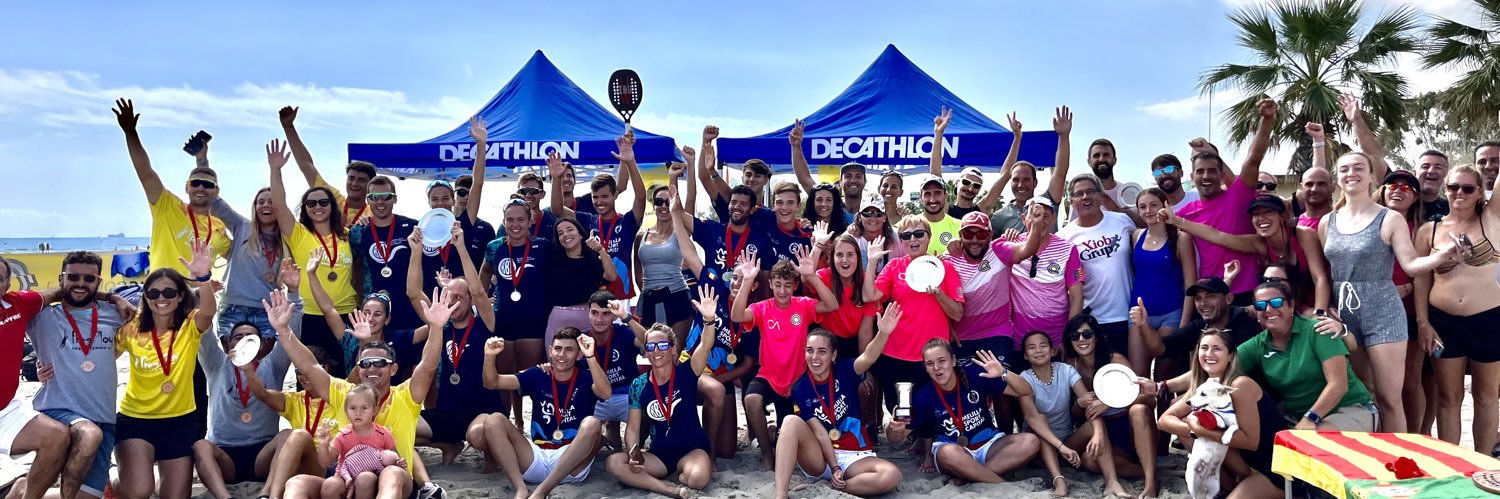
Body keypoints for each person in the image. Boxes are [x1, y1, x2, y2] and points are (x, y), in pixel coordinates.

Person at [276, 278, 459, 499]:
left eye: (380, 363)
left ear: (393, 369)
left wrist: (437, 328)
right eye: (365, 363)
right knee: (297, 483)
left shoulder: (405, 396)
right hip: (349, 480)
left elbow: (428, 366)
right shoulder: (345, 393)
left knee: (390, 473)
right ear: (358, 368)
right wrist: (283, 330)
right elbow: (309, 365)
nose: (372, 368)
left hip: (396, 482)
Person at [1319, 151, 1457, 433]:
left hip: (1383, 311)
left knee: (1390, 397)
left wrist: (1444, 255)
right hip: (1345, 314)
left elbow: (1411, 264)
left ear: (1372, 177)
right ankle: (1370, 459)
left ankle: (1400, 464)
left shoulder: (1389, 218)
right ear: (1337, 177)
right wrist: (1327, 306)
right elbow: (1328, 272)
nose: (1351, 173)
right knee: (1362, 396)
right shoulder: (1327, 223)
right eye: (1344, 169)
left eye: (1359, 167)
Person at [8, 255, 122, 499]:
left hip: (102, 416)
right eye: (73, 277)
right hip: (57, 410)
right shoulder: (41, 317)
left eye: (89, 278)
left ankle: (22, 488)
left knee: (87, 494)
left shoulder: (116, 314)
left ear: (98, 282)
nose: (80, 283)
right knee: (90, 434)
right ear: (61, 279)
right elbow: (15, 307)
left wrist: (114, 298)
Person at [190, 261, 303, 498]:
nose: (243, 341)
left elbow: (291, 336)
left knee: (287, 435)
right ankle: (225, 497)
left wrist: (293, 293)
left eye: (250, 337)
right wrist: (202, 286)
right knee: (200, 445)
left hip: (263, 454)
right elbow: (202, 328)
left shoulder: (273, 365)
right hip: (225, 454)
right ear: (227, 343)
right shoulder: (216, 363)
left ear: (262, 344)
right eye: (237, 337)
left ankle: (268, 493)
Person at [113, 242, 217, 499]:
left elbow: (209, 311)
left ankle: (140, 473)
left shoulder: (190, 325)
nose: (161, 299)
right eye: (154, 293)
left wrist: (203, 278)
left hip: (180, 421)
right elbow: (103, 357)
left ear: (181, 295)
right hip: (136, 419)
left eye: (169, 292)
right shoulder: (131, 328)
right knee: (138, 491)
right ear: (145, 297)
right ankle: (115, 481)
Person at [1415, 164, 1500, 453]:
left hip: (1489, 320)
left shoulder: (1492, 219)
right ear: (1445, 190)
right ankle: (1454, 466)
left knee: (1486, 397)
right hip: (1444, 323)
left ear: (1480, 193)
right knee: (1448, 398)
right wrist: (1424, 323)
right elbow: (1421, 279)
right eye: (1452, 187)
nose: (1459, 193)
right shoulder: (1430, 230)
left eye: (1467, 188)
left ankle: (1484, 463)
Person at [730, 247, 840, 469]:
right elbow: (737, 315)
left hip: (797, 382)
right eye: (778, 284)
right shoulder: (762, 308)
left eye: (788, 285)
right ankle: (766, 452)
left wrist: (811, 277)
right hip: (769, 377)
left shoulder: (803, 305)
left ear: (795, 286)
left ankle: (775, 439)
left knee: (787, 434)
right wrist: (747, 281)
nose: (782, 290)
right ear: (770, 284)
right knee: (751, 400)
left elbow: (832, 305)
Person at [604, 291, 720, 499]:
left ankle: (675, 477)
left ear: (673, 349)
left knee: (697, 480)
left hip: (692, 449)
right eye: (651, 346)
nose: (656, 350)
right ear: (646, 352)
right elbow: (632, 428)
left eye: (663, 345)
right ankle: (668, 489)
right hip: (660, 455)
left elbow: (705, 345)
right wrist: (633, 451)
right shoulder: (639, 385)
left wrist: (709, 319)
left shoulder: (687, 371)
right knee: (613, 463)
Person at [406, 226, 502, 468]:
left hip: (483, 410)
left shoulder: (485, 324)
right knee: (403, 424)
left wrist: (460, 247)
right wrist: (416, 251)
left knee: (477, 435)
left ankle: (492, 456)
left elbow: (480, 291)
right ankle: (449, 445)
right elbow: (413, 292)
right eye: (450, 296)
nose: (454, 301)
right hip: (449, 412)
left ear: (470, 301)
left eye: (460, 296)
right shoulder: (440, 325)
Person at [668, 183, 751, 460]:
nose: (738, 283)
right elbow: (689, 251)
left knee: (730, 450)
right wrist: (675, 214)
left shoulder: (753, 312)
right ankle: (707, 453)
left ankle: (715, 449)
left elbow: (750, 363)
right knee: (711, 392)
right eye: (735, 278)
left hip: (722, 374)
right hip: (691, 367)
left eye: (745, 280)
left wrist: (724, 378)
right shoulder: (714, 290)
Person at [478, 327, 611, 499]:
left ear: (579, 355)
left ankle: (541, 491)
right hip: (536, 456)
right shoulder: (539, 374)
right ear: (550, 351)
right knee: (493, 420)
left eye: (569, 350)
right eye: (557, 349)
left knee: (593, 423)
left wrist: (590, 356)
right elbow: (492, 382)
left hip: (571, 462)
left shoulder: (586, 377)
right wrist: (489, 356)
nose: (562, 354)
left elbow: (606, 393)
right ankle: (521, 489)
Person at [771, 326, 903, 499]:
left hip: (854, 455)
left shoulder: (846, 369)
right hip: (820, 456)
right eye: (809, 351)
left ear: (833, 355)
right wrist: (834, 467)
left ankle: (834, 486)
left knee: (892, 475)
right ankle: (780, 495)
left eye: (822, 351)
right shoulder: (800, 388)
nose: (815, 357)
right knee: (789, 421)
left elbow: (869, 357)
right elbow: (820, 433)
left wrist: (883, 332)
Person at [1157, 328, 1287, 499]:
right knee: (1190, 429)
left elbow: (1251, 442)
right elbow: (1164, 420)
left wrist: (1200, 430)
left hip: (1272, 468)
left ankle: (1241, 486)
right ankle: (1227, 487)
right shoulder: (1204, 386)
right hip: (1242, 462)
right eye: (1204, 348)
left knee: (1200, 427)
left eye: (1217, 348)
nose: (1209, 353)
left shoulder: (1240, 385)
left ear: (1231, 355)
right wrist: (1194, 431)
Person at [894, 339, 1042, 484]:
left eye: (942, 361)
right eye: (930, 364)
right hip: (956, 452)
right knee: (947, 453)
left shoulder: (975, 375)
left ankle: (968, 477)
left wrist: (1003, 372)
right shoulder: (924, 396)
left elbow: (1026, 390)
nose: (937, 367)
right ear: (925, 367)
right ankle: (1000, 482)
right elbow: (895, 438)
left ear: (953, 360)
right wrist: (894, 427)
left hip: (989, 446)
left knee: (1031, 441)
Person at [1237, 281, 1376, 432]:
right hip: (1297, 418)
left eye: (1276, 302)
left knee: (1311, 442)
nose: (1269, 309)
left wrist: (1310, 418)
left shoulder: (1317, 330)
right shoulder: (1257, 344)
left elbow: (1338, 384)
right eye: (1261, 306)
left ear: (1291, 305)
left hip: (1349, 409)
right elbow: (1225, 364)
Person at [114, 99, 231, 278]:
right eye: (195, 183)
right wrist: (131, 133)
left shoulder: (218, 226)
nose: (200, 187)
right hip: (161, 293)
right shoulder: (167, 207)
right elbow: (145, 173)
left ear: (216, 191)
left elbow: (237, 256)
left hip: (196, 298)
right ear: (187, 187)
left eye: (208, 185)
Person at [1177, 99, 1277, 304]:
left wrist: (1267, 119)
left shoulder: (1239, 196)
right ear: (1192, 176)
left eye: (1212, 171)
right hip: (1209, 295)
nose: (1206, 176)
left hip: (1247, 294)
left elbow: (1254, 157)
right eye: (1200, 171)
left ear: (1221, 174)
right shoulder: (1185, 213)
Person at [862, 215, 964, 415]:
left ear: (928, 236)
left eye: (919, 234)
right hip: (895, 353)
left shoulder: (945, 268)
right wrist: (872, 261)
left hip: (931, 357)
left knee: (930, 410)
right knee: (900, 411)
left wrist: (938, 294)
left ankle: (925, 444)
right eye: (906, 235)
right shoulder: (894, 266)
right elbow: (869, 295)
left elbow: (958, 314)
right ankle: (908, 441)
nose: (913, 239)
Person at [268, 139, 356, 366]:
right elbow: (279, 205)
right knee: (310, 374)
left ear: (332, 205)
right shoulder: (298, 234)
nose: (317, 206)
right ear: (305, 208)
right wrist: (275, 169)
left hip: (345, 313)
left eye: (323, 201)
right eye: (311, 203)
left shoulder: (347, 235)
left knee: (345, 372)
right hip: (309, 315)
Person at [1166, 193, 1330, 313]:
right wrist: (1177, 221)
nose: (1261, 218)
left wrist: (1320, 313)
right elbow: (1217, 236)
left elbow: (1320, 277)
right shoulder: (1259, 244)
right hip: (1281, 307)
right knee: (1240, 314)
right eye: (1256, 214)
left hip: (1314, 304)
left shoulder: (1303, 234)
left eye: (1268, 212)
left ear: (1281, 216)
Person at [1015, 331, 1125, 498]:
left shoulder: (1065, 370)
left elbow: (1088, 401)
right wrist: (1061, 446)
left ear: (1053, 351)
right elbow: (1031, 418)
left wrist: (1098, 433)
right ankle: (1058, 479)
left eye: (1043, 345)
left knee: (1093, 426)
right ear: (1025, 355)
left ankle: (1112, 481)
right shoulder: (1024, 378)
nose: (1038, 350)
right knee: (1041, 419)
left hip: (1068, 448)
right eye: (1032, 347)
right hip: (1039, 452)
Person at [1065, 311, 1159, 498]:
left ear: (1097, 337)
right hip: (1103, 431)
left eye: (1087, 334)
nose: (1081, 339)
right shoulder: (1071, 364)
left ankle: (1150, 484)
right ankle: (1157, 472)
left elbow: (1149, 399)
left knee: (1139, 410)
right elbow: (1076, 414)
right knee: (1089, 462)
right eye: (1075, 335)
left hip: (1131, 426)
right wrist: (1079, 403)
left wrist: (1110, 402)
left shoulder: (1115, 360)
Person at [551, 126, 646, 301]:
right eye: (595, 197)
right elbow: (557, 210)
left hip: (620, 297)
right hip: (593, 296)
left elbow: (641, 197)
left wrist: (630, 162)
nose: (599, 202)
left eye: (604, 197)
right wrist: (556, 179)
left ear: (614, 195)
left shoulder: (626, 222)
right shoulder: (588, 220)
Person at [942, 211, 1046, 367]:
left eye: (981, 234)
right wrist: (947, 328)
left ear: (990, 236)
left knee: (999, 385)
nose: (975, 240)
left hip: (997, 334)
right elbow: (939, 299)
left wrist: (1036, 226)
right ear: (960, 235)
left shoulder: (999, 250)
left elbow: (1027, 250)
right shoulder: (949, 258)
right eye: (968, 234)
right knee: (969, 389)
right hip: (962, 339)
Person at [480, 198, 551, 424]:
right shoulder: (495, 247)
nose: (515, 224)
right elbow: (484, 272)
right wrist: (482, 301)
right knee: (503, 376)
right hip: (504, 318)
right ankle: (508, 421)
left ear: (530, 220)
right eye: (510, 220)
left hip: (534, 319)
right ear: (504, 221)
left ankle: (529, 422)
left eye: (521, 219)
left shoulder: (543, 246)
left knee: (528, 375)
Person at [240, 344, 343, 499]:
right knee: (286, 434)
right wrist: (248, 370)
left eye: (308, 371)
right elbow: (263, 395)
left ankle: (272, 496)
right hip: (290, 463)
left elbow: (362, 370)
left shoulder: (340, 393)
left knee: (298, 435)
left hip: (325, 466)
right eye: (298, 371)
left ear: (325, 368)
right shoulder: (295, 399)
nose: (303, 375)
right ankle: (267, 494)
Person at [1376, 170, 1436, 435]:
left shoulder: (1422, 229)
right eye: (1392, 185)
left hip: (1411, 312)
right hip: (1375, 313)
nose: (1398, 190)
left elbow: (1428, 272)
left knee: (1410, 381)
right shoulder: (1369, 222)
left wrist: (1408, 287)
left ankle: (1416, 436)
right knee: (1379, 383)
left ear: (1415, 197)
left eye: (1407, 187)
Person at [1058, 174, 1141, 363]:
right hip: (1091, 321)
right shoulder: (1064, 236)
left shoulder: (1122, 220)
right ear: (1071, 201)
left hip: (1127, 315)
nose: (1085, 197)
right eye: (1079, 194)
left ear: (1101, 195)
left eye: (1090, 191)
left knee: (1130, 378)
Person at [1125, 188, 1197, 374]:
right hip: (1139, 315)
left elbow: (1191, 285)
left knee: (1163, 380)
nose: (1148, 210)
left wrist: (1184, 324)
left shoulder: (1181, 238)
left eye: (1153, 205)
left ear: (1165, 206)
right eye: (1142, 207)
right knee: (1138, 378)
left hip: (1171, 315)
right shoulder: (1137, 236)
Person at [1155, 277, 1264, 392]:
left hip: (1235, 395)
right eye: (1198, 298)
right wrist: (1142, 325)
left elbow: (1222, 375)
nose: (1203, 303)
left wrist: (1163, 388)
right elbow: (1160, 348)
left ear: (1229, 299)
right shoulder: (1198, 326)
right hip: (1205, 392)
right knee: (1140, 406)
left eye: (1210, 296)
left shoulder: (1246, 327)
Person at [209, 182, 288, 341]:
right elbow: (216, 204)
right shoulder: (243, 226)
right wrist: (202, 160)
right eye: (261, 202)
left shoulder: (288, 237)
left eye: (271, 201)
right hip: (233, 308)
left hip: (266, 311)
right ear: (255, 207)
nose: (266, 205)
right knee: (232, 361)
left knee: (263, 364)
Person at [345, 176, 422, 331]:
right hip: (374, 313)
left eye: (386, 197)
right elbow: (354, 269)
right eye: (374, 197)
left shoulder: (412, 227)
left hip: (410, 307)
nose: (380, 202)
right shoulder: (358, 232)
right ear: (368, 200)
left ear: (395, 199)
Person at [280, 106, 374, 228]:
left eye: (361, 180)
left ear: (371, 185)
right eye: (351, 178)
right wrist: (289, 128)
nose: (354, 183)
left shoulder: (373, 214)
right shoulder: (332, 198)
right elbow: (306, 165)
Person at [1010, 196, 1085, 348]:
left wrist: (1068, 338)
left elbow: (1077, 297)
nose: (1040, 221)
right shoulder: (1011, 246)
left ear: (1053, 219)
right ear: (1024, 218)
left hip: (1056, 339)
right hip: (1020, 339)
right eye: (1035, 215)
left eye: (1045, 216)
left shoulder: (1068, 249)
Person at [634, 158, 695, 341]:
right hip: (649, 300)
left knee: (675, 352)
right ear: (653, 206)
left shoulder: (680, 233)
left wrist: (689, 166)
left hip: (677, 297)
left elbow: (691, 199)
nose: (663, 206)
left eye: (668, 203)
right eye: (659, 202)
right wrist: (648, 292)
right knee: (650, 350)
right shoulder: (641, 236)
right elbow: (638, 272)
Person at [990, 107, 1073, 235]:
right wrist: (1017, 138)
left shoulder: (1047, 202)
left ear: (1035, 182)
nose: (1020, 184)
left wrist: (1064, 136)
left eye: (1026, 179)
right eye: (1016, 180)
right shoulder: (998, 217)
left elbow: (1060, 173)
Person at [318, 385, 406, 499]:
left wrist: (400, 463)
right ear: (346, 411)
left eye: (364, 408)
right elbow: (326, 462)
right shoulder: (343, 435)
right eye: (353, 408)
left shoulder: (383, 434)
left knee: (365, 478)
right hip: (346, 479)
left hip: (374, 481)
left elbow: (395, 458)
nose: (358, 413)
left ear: (375, 410)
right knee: (330, 485)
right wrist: (323, 445)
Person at [541, 217, 617, 347]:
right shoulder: (551, 261)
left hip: (589, 320)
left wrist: (600, 250)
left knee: (591, 363)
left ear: (581, 234)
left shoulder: (592, 259)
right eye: (560, 233)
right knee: (560, 363)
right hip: (559, 321)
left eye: (569, 229)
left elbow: (611, 277)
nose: (565, 235)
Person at [582, 291, 643, 452]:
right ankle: (602, 440)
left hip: (626, 396)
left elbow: (648, 341)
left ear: (614, 316)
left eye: (606, 314)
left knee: (647, 417)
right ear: (587, 312)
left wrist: (626, 316)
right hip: (596, 399)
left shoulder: (623, 332)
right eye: (594, 313)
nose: (599, 319)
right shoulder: (581, 339)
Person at [790, 119, 868, 222]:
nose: (853, 180)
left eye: (858, 176)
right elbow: (804, 178)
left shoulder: (872, 210)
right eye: (848, 176)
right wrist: (796, 146)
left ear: (865, 181)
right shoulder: (830, 205)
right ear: (840, 182)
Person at [921, 108, 963, 252]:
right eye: (927, 194)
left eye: (937, 193)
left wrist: (939, 134)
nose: (932, 199)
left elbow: (936, 172)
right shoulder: (910, 225)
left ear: (946, 195)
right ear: (920, 197)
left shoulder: (960, 227)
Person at [765, 182, 814, 265]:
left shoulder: (807, 234)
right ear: (773, 204)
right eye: (779, 202)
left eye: (790, 202)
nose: (784, 207)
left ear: (798, 206)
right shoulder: (762, 220)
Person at [849, 195, 898, 276]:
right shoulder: (851, 238)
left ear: (885, 217)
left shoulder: (898, 238)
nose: (872, 218)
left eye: (878, 214)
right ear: (860, 217)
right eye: (867, 214)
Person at [1415, 150, 1452, 221]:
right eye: (1425, 167)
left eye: (1438, 167)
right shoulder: (1403, 205)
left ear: (1447, 175)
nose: (1431, 171)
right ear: (1415, 172)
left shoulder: (1452, 210)